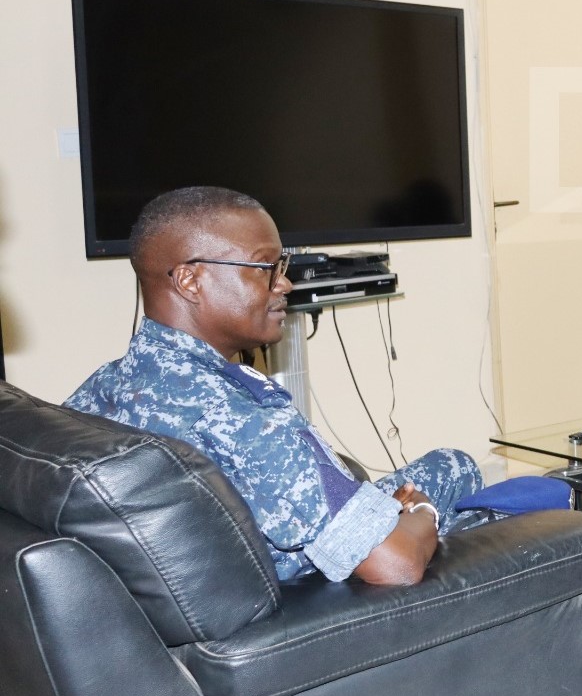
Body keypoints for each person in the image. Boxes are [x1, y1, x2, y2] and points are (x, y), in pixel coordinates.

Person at [66, 186, 481, 585]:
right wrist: (421, 511)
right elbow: (395, 566)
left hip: (181, 609)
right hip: (303, 604)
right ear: (191, 281)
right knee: (455, 466)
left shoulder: (98, 390)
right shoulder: (248, 418)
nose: (284, 284)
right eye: (266, 268)